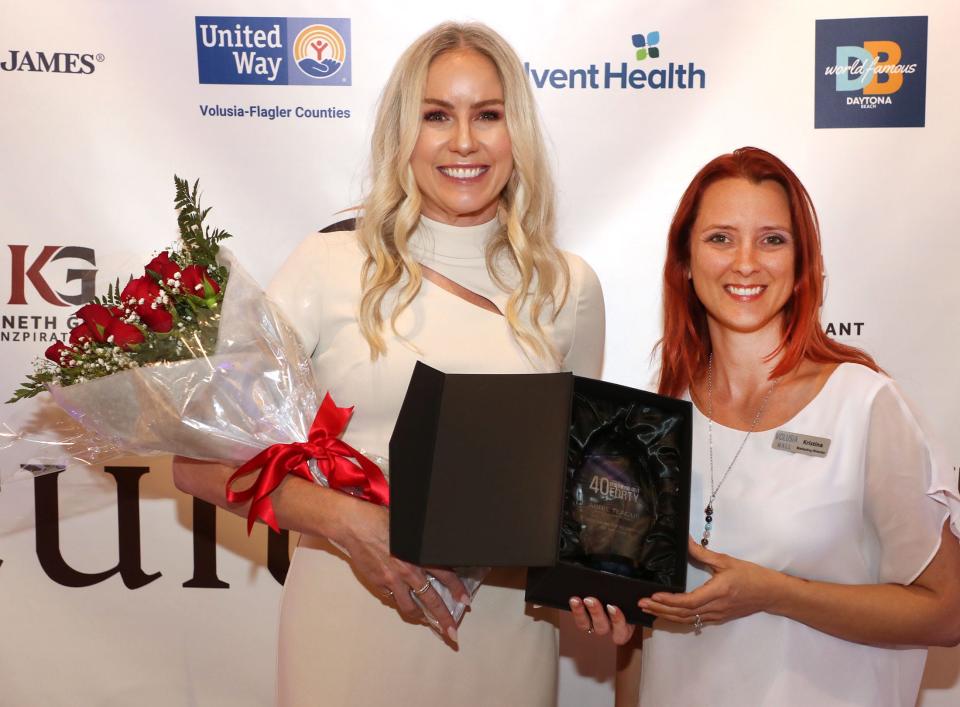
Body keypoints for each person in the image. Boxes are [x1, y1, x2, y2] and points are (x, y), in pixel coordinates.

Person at [173, 21, 604, 707]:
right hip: (349, 627)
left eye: (487, 115)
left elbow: (578, 487)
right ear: (405, 131)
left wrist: (606, 578)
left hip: (504, 639)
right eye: (437, 115)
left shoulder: (567, 287)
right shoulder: (327, 263)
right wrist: (348, 523)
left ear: (515, 130)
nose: (464, 141)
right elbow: (196, 460)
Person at [570, 147, 960, 706]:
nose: (746, 262)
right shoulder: (652, 419)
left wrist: (776, 594)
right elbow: (640, 642)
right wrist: (624, 614)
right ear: (685, 260)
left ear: (803, 265)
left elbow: (947, 612)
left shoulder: (864, 406)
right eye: (720, 238)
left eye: (772, 239)